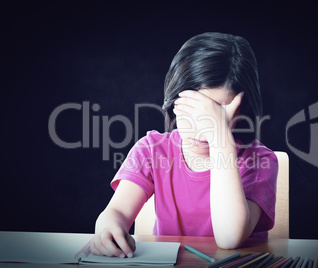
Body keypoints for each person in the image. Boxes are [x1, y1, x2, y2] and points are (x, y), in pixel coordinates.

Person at [90, 32, 278, 258]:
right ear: (174, 102)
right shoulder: (152, 149)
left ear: (241, 110)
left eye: (216, 113)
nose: (202, 129)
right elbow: (116, 212)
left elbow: (230, 238)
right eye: (193, 111)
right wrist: (107, 228)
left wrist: (220, 137)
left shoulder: (259, 161)